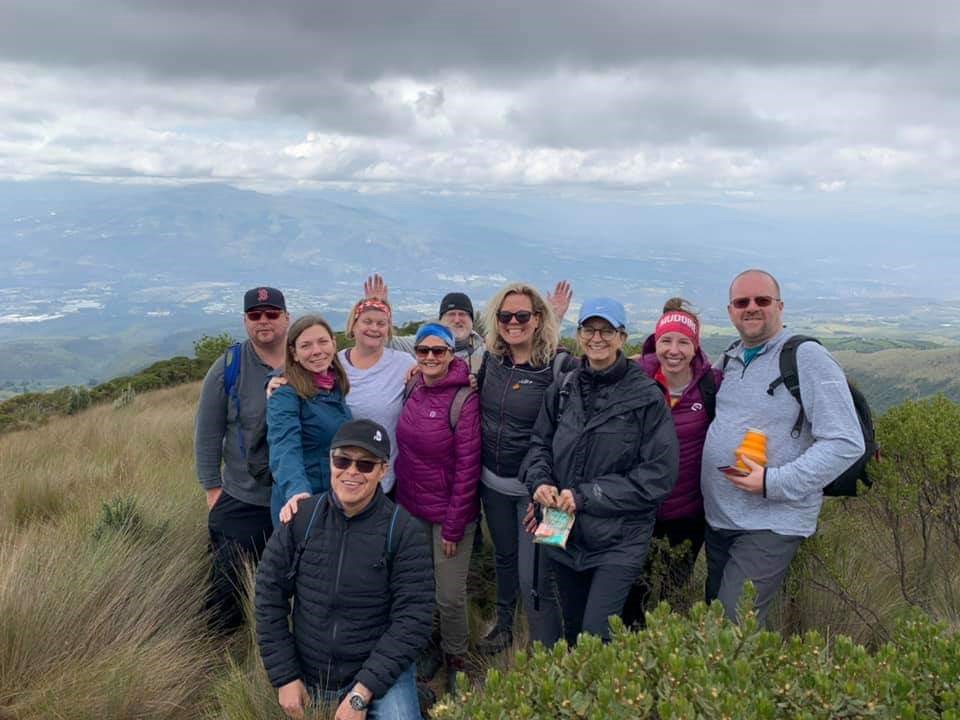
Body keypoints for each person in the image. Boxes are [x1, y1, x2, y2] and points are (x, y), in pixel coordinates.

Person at [701, 269, 864, 625]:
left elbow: (846, 440)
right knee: (718, 621)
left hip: (771, 522)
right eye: (742, 302)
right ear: (730, 311)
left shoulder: (806, 357)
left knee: (731, 623)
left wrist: (773, 482)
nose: (752, 308)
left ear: (780, 307)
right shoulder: (730, 357)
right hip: (720, 519)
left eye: (762, 300)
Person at [521, 297, 679, 644]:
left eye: (607, 330)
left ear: (622, 337)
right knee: (574, 631)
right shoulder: (563, 389)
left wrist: (585, 496)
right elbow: (539, 446)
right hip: (563, 535)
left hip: (619, 540)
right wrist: (540, 482)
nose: (597, 338)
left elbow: (659, 475)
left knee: (597, 635)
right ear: (578, 334)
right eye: (589, 329)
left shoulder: (646, 397)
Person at [255, 419, 435, 720]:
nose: (352, 471)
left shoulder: (404, 531)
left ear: (383, 470)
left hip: (378, 677)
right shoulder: (301, 520)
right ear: (330, 461)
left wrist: (361, 694)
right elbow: (267, 595)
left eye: (365, 464)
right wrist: (285, 676)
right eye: (343, 460)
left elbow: (413, 618)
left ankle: (414, 694)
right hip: (310, 671)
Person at [475, 281, 577, 653]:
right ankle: (505, 626)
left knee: (540, 572)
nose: (513, 322)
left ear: (538, 319)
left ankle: (547, 650)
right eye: (505, 316)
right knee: (504, 559)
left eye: (523, 315)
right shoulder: (490, 360)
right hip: (495, 485)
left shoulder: (562, 366)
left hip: (546, 493)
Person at [622, 298, 722, 626]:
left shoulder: (712, 385)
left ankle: (663, 662)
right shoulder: (635, 376)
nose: (674, 350)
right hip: (638, 509)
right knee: (629, 595)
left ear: (695, 347)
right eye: (666, 340)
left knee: (671, 596)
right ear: (656, 341)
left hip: (688, 514)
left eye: (683, 341)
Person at [194, 286, 289, 632]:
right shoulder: (228, 368)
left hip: (298, 497)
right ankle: (218, 650)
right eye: (255, 315)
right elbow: (207, 432)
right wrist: (212, 489)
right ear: (246, 321)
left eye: (272, 314)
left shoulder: (309, 359)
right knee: (227, 584)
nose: (264, 321)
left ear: (286, 318)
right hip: (243, 498)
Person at [394, 323, 481, 694]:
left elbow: (468, 468)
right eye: (423, 351)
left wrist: (453, 525)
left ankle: (457, 658)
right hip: (411, 507)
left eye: (438, 351)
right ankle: (429, 647)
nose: (430, 357)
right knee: (420, 589)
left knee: (449, 594)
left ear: (451, 354)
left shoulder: (465, 399)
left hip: (450, 515)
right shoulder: (412, 386)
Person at [266, 314, 352, 528]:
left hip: (336, 500)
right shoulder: (285, 394)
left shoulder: (334, 386)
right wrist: (297, 492)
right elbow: (284, 446)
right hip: (304, 505)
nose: (316, 351)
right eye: (306, 345)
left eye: (323, 342)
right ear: (294, 353)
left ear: (334, 343)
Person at [364, 273, 487, 375]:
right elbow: (387, 342)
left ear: (472, 320)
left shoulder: (485, 351)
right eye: (451, 314)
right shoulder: (422, 343)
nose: (457, 320)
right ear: (441, 321)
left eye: (463, 314)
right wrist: (377, 311)